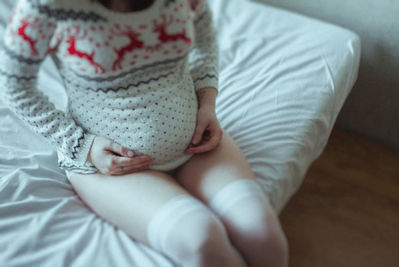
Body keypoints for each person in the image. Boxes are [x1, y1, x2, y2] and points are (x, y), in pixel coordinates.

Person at [0, 0, 289, 266]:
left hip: (195, 144)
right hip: (114, 169)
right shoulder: (47, 6)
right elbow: (14, 86)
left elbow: (204, 38)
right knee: (202, 238)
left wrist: (207, 101)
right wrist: (84, 147)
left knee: (262, 232)